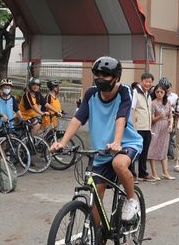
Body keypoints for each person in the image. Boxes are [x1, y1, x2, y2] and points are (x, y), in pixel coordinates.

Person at [50, 56, 142, 233]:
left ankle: (132, 201)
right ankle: (93, 238)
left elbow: (121, 117)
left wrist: (117, 141)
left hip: (126, 143)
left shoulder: (124, 92)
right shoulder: (91, 94)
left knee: (118, 163)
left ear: (116, 78)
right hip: (102, 150)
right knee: (95, 194)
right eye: (97, 74)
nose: (100, 78)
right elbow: (78, 119)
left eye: (105, 75)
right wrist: (62, 142)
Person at [147, 84, 174, 181]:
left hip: (165, 127)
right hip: (156, 127)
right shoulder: (153, 103)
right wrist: (159, 117)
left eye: (161, 92)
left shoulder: (168, 102)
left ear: (165, 93)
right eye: (157, 92)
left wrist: (171, 125)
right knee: (153, 148)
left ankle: (165, 172)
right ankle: (154, 173)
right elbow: (152, 119)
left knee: (164, 148)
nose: (159, 94)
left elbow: (171, 115)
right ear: (154, 93)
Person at [131, 72, 154, 181]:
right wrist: (134, 126)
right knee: (135, 152)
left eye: (150, 82)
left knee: (144, 152)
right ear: (141, 81)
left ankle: (142, 173)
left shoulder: (148, 94)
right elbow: (132, 109)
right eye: (146, 81)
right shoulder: (135, 92)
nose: (148, 84)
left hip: (147, 128)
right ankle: (132, 175)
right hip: (138, 128)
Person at [160, 78, 178, 158]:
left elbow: (177, 105)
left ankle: (169, 152)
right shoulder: (161, 94)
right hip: (162, 116)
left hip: (172, 115)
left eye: (168, 87)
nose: (167, 89)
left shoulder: (174, 96)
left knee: (169, 134)